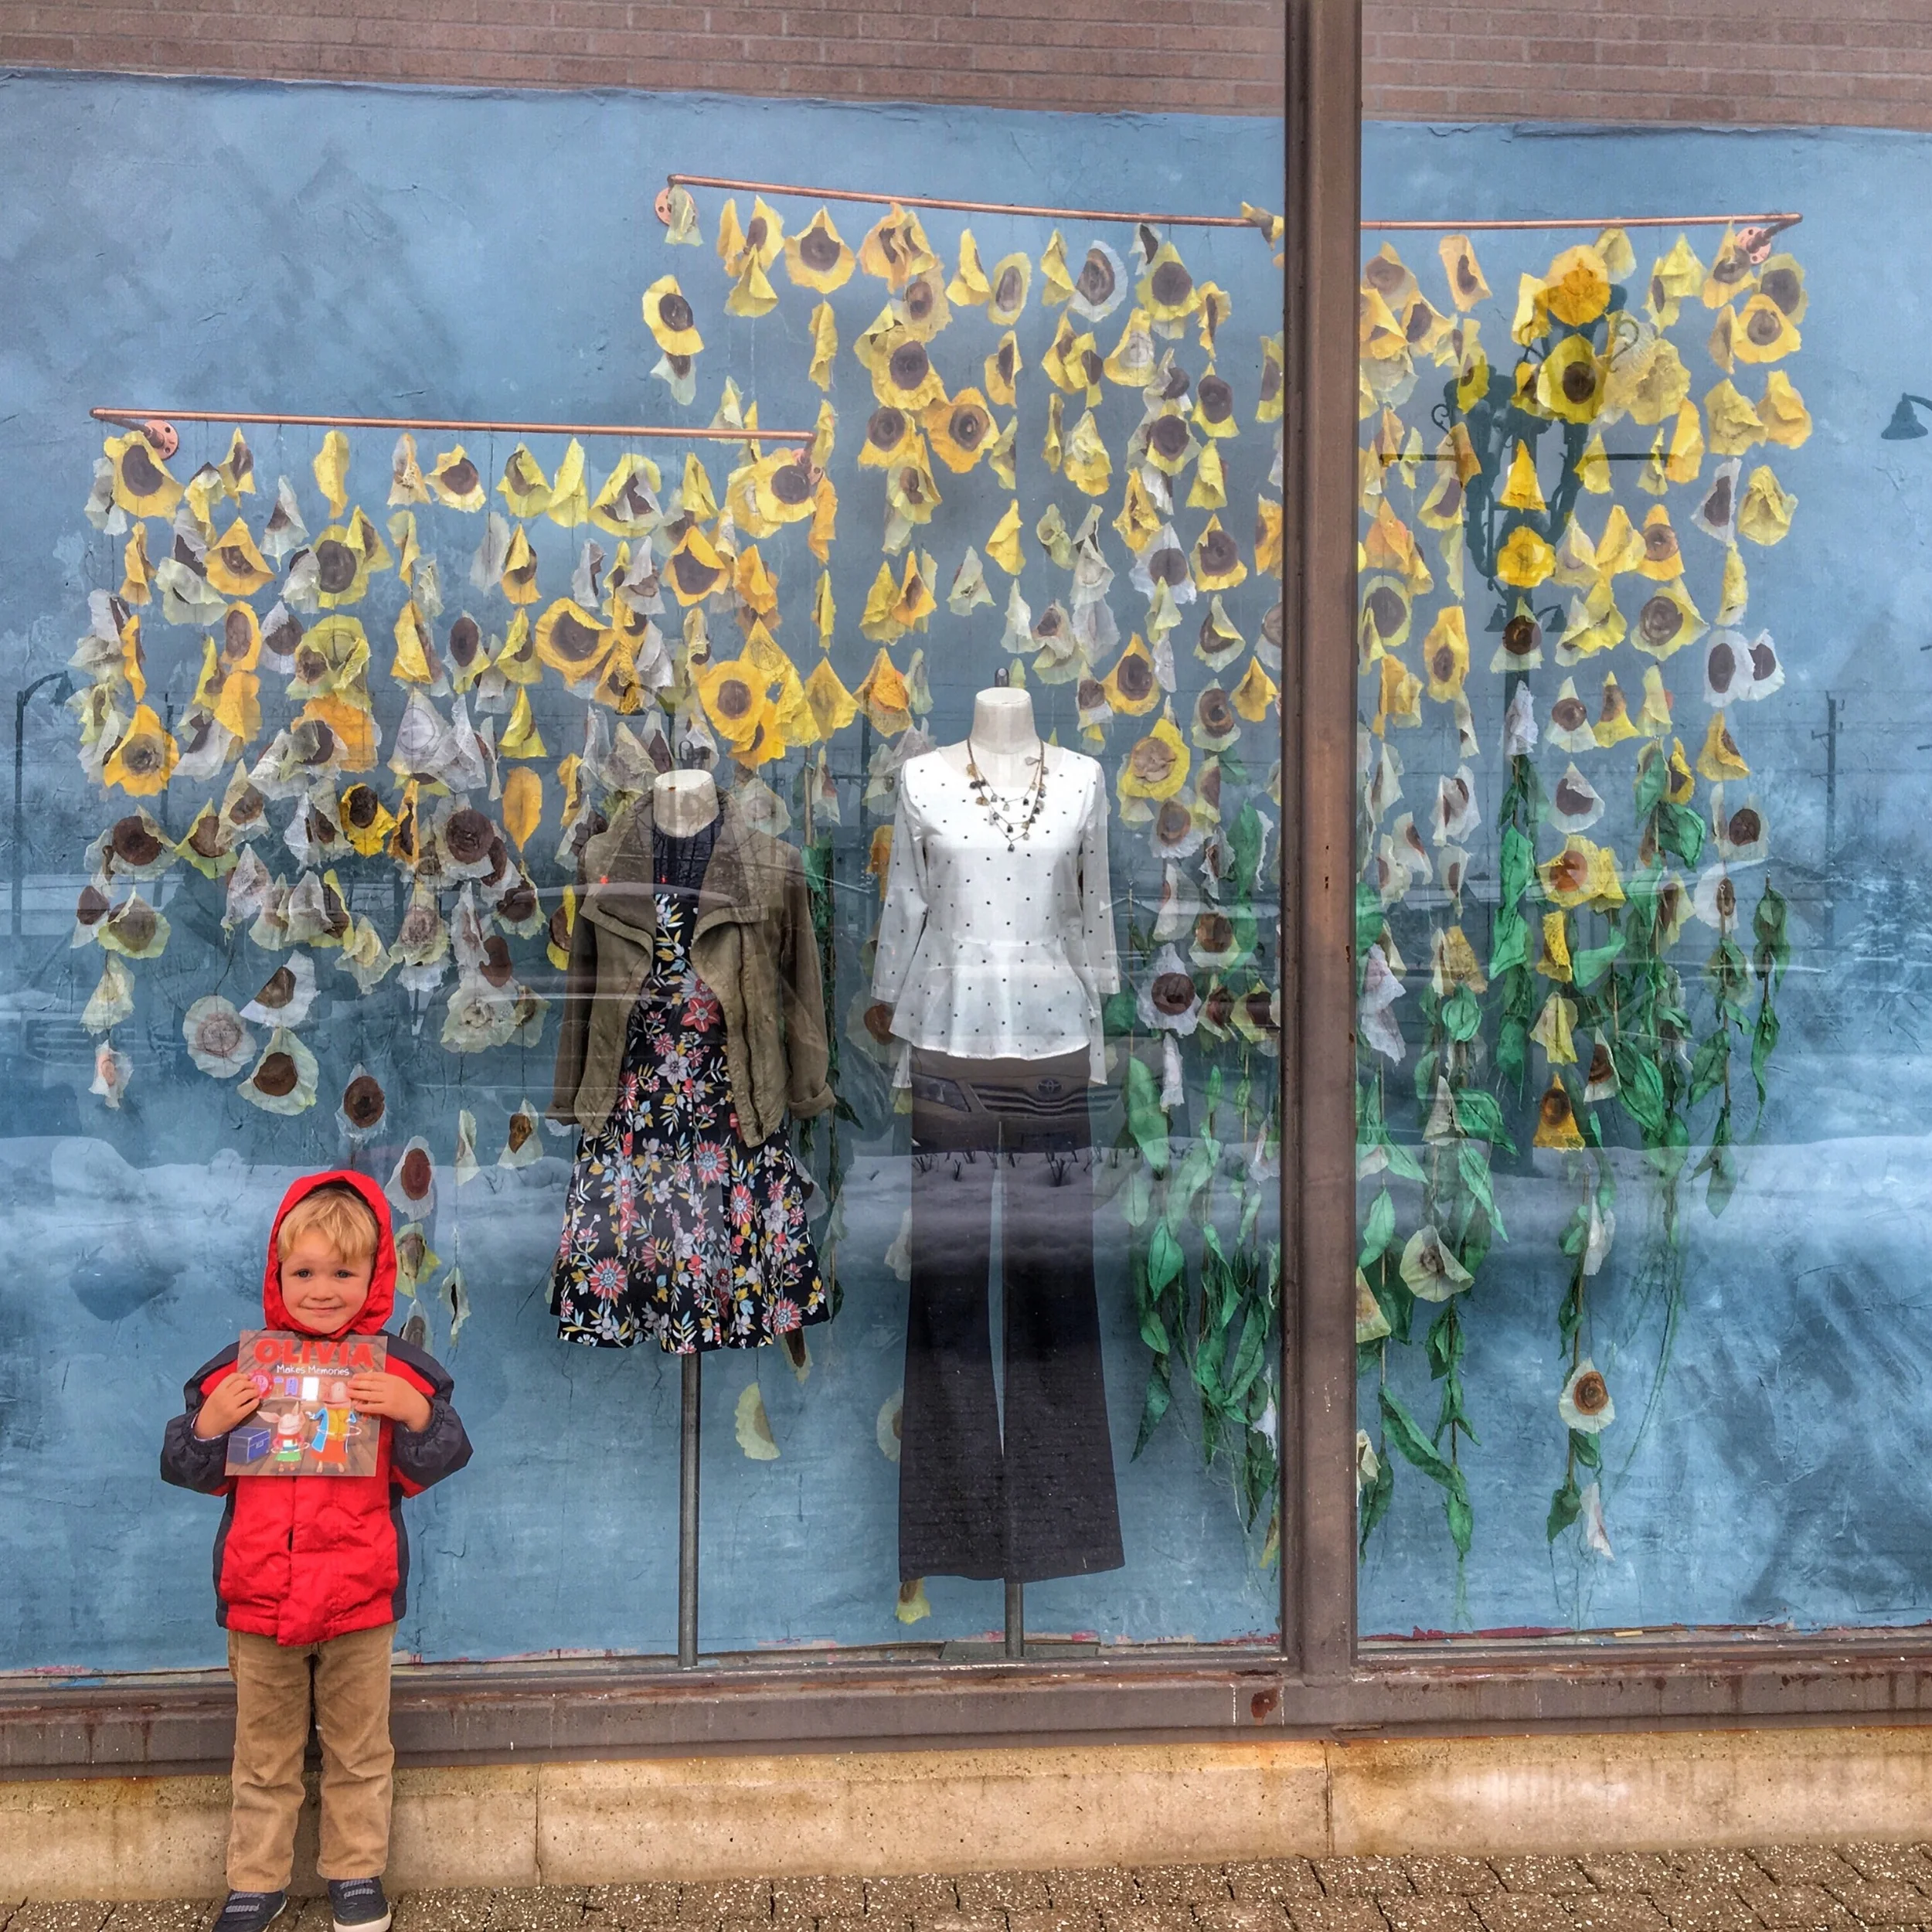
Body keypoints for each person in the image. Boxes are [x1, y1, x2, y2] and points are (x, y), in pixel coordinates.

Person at [161, 1171, 472, 1932]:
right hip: (258, 1602)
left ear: (375, 1277)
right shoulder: (239, 1372)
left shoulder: (393, 1371)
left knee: (361, 1751)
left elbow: (443, 1453)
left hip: (360, 1603)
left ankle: (356, 1873)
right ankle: (255, 1880)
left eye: (343, 1272)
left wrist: (414, 1410)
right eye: (303, 1271)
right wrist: (210, 1427)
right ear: (277, 1274)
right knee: (262, 1756)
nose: (323, 1289)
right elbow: (184, 1466)